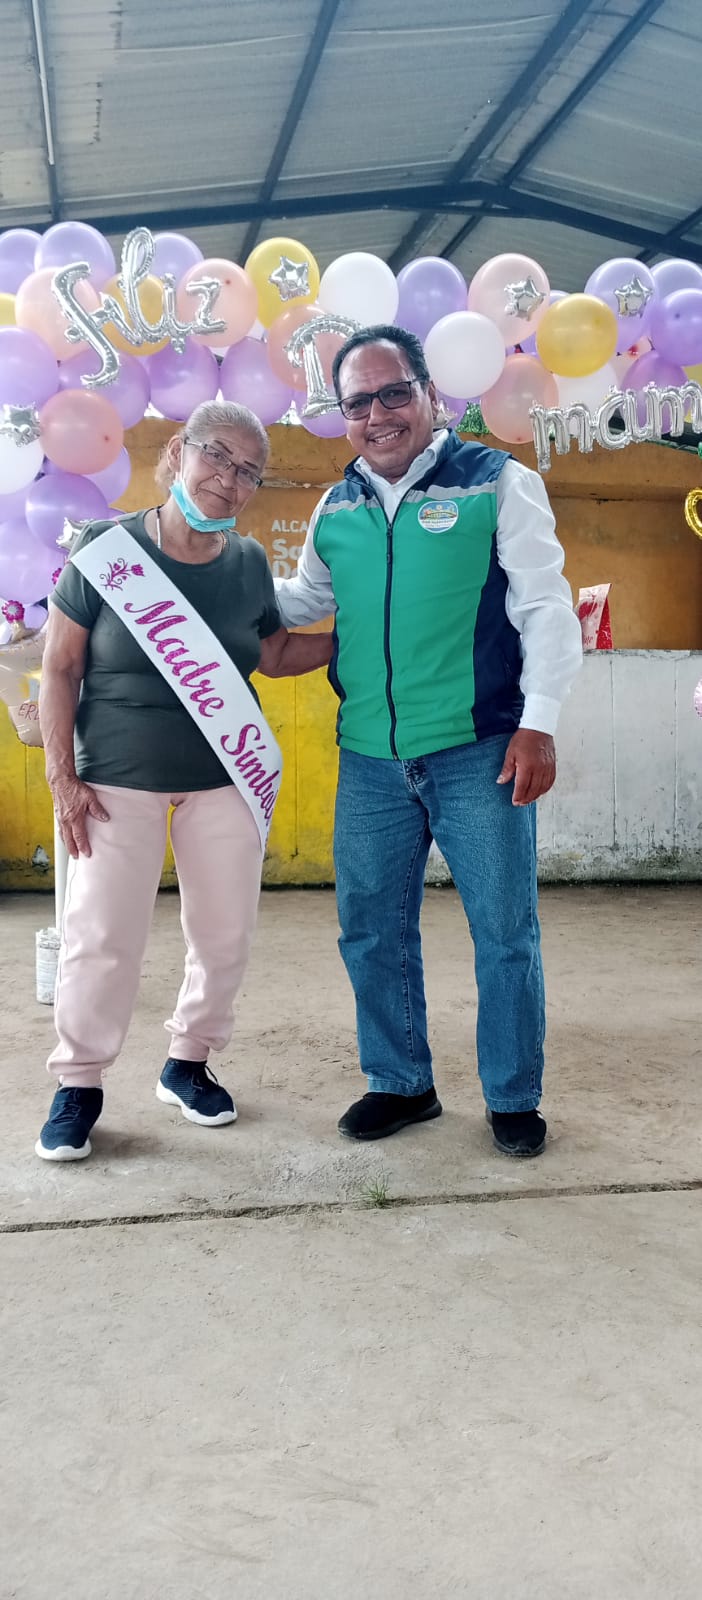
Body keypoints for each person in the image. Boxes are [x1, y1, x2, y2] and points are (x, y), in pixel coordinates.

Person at [275, 326, 583, 1156]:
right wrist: (202, 572)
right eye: (358, 402)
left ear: (430, 395)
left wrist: (539, 722)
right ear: (343, 415)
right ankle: (401, 1082)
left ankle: (512, 1096)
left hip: (481, 749)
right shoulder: (336, 508)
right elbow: (304, 601)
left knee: (504, 932)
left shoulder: (497, 482)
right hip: (369, 758)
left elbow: (545, 608)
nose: (377, 415)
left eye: (393, 393)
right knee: (370, 928)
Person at [36, 399, 331, 1161]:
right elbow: (59, 668)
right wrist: (63, 779)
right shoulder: (106, 550)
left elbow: (273, 655)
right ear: (177, 452)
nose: (229, 479)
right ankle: (78, 1083)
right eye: (217, 456)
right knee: (102, 937)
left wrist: (355, 638)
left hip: (225, 777)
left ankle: (189, 1061)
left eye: (248, 472)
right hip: (115, 780)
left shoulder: (249, 563)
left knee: (225, 932)